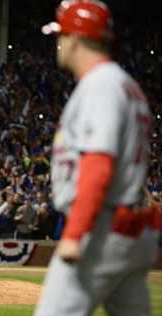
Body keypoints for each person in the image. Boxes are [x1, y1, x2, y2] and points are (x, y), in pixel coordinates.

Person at [35, 1, 161, 315]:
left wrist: (74, 234)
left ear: (76, 39)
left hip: (101, 231)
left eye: (61, 36)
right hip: (129, 229)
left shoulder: (100, 86)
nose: (59, 43)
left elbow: (98, 166)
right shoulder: (126, 86)